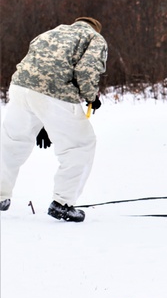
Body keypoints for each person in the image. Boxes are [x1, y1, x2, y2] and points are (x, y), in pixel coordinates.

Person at [0, 17, 108, 222]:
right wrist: (92, 97)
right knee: (80, 145)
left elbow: (36, 62)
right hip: (55, 94)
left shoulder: (51, 32)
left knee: (12, 142)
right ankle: (63, 203)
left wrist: (42, 120)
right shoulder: (95, 38)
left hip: (21, 87)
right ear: (96, 28)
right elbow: (86, 70)